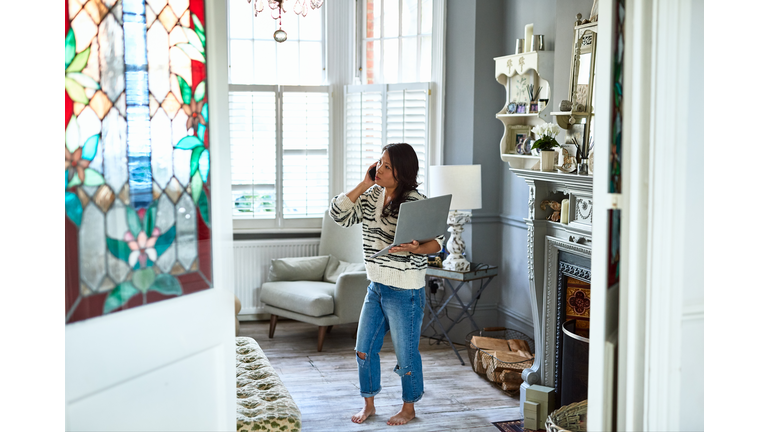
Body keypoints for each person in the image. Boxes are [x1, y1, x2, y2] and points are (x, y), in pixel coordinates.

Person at [328, 143, 444, 426]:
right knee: (364, 349)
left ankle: (409, 407)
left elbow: (437, 243)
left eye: (387, 166)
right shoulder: (369, 198)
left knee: (406, 354)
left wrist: (416, 248)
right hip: (376, 286)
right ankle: (368, 403)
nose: (379, 169)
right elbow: (338, 214)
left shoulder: (416, 202)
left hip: (406, 291)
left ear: (402, 172)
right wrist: (364, 183)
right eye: (379, 163)